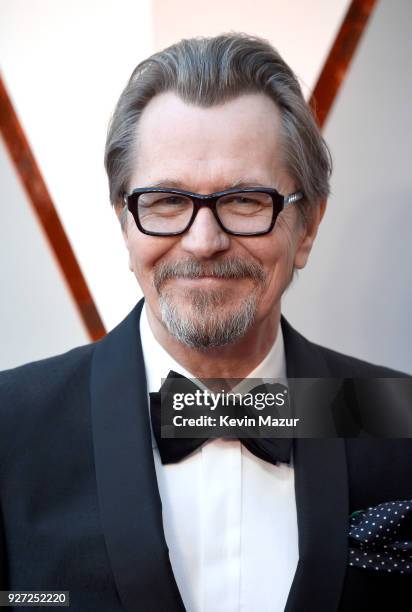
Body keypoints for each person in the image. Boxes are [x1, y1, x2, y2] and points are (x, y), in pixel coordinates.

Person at [0, 34, 411, 612]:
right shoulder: (10, 427)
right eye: (166, 201)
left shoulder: (399, 419)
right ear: (125, 223)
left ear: (308, 226)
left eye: (245, 200)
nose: (204, 241)